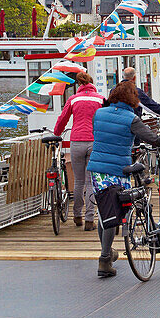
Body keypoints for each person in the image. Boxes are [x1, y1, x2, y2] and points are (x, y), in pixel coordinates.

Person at [87, 81, 160, 278]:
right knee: (115, 213)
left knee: (105, 212)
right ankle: (104, 260)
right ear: (131, 99)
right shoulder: (131, 118)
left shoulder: (98, 114)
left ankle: (107, 252)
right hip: (119, 170)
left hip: (97, 170)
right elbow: (153, 138)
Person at [52, 71, 104, 231]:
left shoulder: (73, 99)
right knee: (90, 182)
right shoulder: (101, 99)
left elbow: (63, 118)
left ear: (79, 85)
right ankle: (89, 220)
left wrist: (56, 133)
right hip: (94, 141)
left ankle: (77, 216)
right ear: (91, 83)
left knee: (79, 181)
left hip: (76, 141)